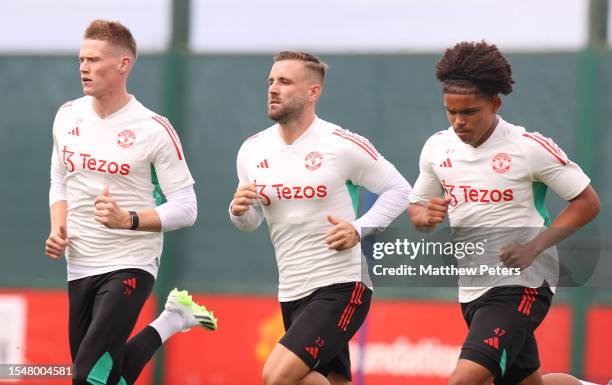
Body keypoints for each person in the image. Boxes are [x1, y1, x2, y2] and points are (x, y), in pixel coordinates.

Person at [407, 41, 600, 385]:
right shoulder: (437, 147)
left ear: (495, 103)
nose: (458, 122)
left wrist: (534, 246)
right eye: (450, 112)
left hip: (523, 283)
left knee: (465, 378)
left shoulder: (529, 148)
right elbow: (418, 208)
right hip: (472, 286)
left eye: (469, 112)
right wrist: (424, 218)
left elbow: (587, 202)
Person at [44, 19, 217, 385]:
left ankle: (172, 319)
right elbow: (59, 179)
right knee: (108, 376)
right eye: (81, 60)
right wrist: (58, 225)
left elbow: (187, 207)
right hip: (80, 264)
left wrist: (129, 220)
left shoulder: (153, 129)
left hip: (131, 263)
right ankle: (173, 319)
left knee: (87, 376)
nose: (84, 68)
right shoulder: (67, 116)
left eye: (93, 60)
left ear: (124, 64)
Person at [229, 51, 412, 385]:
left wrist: (359, 229)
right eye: (271, 81)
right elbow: (250, 222)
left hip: (341, 285)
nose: (273, 89)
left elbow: (400, 190)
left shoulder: (341, 144)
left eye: (284, 82)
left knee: (277, 375)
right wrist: (239, 211)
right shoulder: (252, 150)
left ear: (313, 92)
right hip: (291, 291)